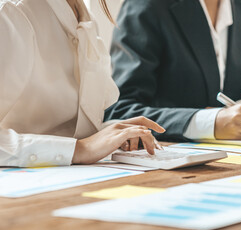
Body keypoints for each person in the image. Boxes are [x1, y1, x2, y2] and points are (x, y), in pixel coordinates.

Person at [105, 0, 241, 142]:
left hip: (233, 162)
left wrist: (240, 112)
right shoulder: (146, 6)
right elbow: (120, 110)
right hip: (167, 163)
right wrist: (209, 122)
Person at [0, 0, 165, 168]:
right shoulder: (11, 13)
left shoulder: (85, 18)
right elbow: (79, 148)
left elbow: (65, 130)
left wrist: (111, 132)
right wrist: (80, 148)